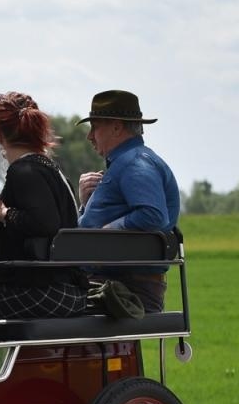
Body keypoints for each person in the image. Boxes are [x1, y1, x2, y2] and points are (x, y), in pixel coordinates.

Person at [0, 92, 86, 318]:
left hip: (42, 291)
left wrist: (2, 213)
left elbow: (43, 223)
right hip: (67, 291)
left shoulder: (24, 171)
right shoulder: (51, 170)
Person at [76, 89, 181, 312]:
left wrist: (106, 232)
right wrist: (86, 204)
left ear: (116, 127)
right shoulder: (129, 162)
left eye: (95, 126)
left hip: (119, 289)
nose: (90, 136)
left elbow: (152, 214)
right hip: (111, 284)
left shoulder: (135, 163)